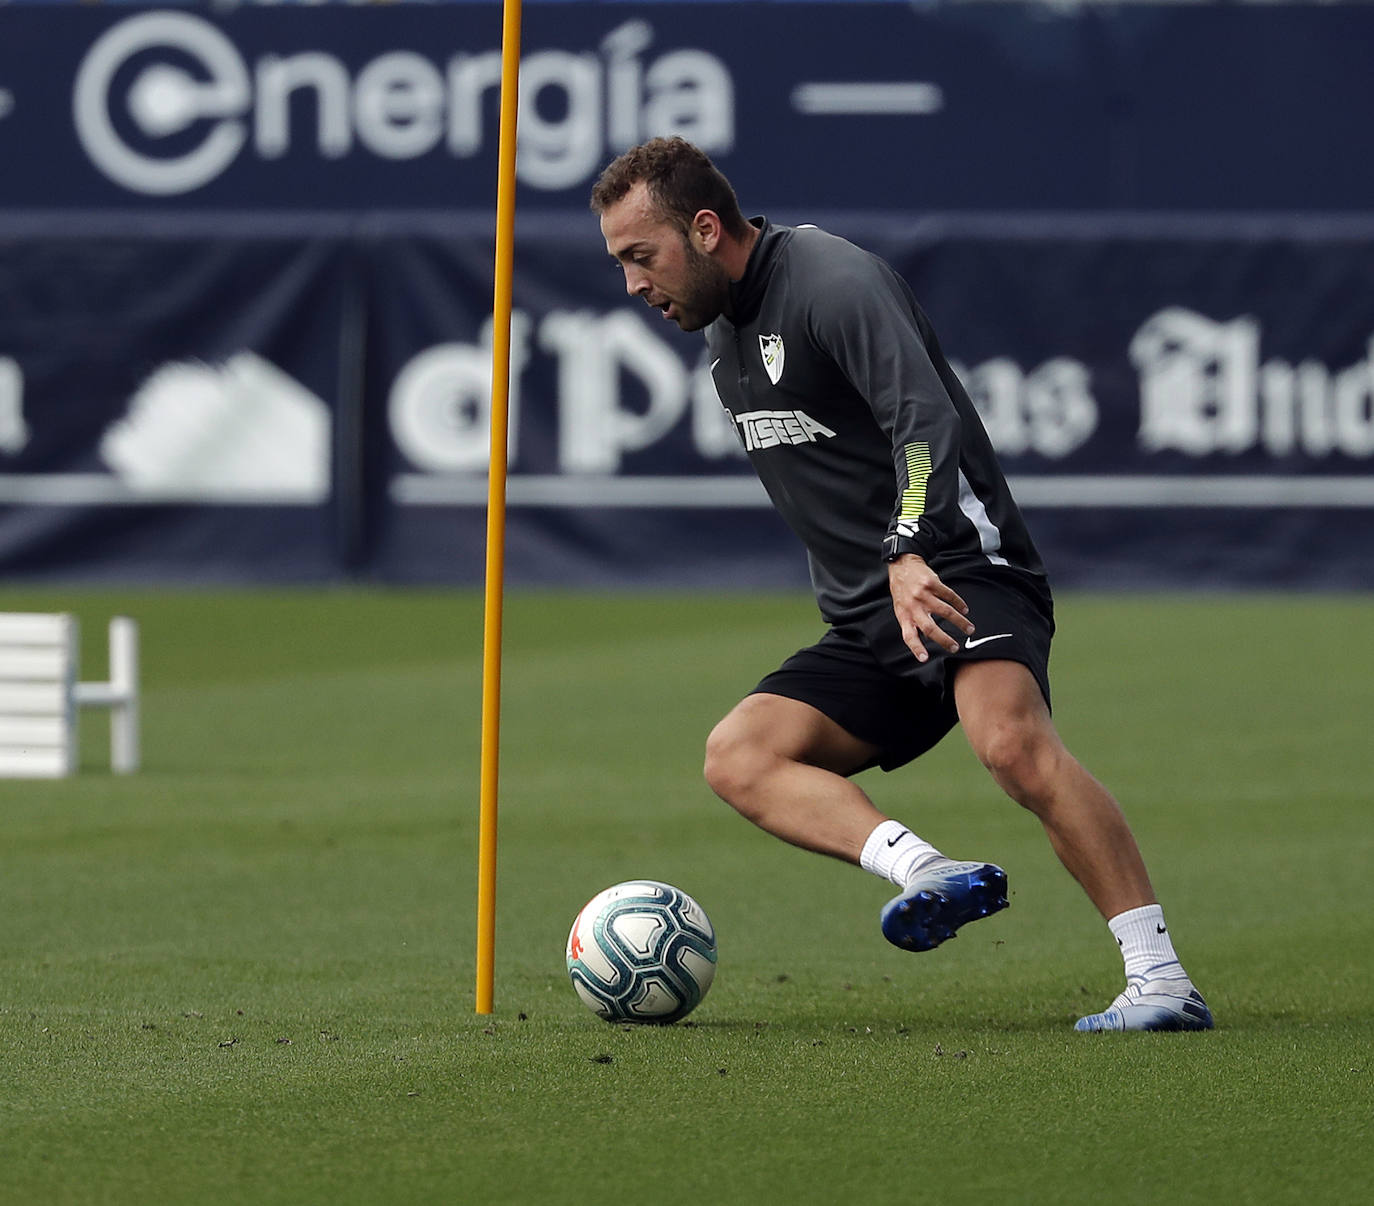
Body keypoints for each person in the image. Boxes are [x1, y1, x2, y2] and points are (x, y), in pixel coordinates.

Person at [590, 136, 1212, 1032]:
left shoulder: (831, 281)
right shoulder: (723, 335)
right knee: (739, 756)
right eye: (619, 264)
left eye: (640, 257)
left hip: (959, 568)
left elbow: (921, 414)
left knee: (1010, 746)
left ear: (704, 227)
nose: (634, 285)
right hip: (874, 617)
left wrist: (911, 544)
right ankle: (927, 871)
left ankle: (1161, 982)